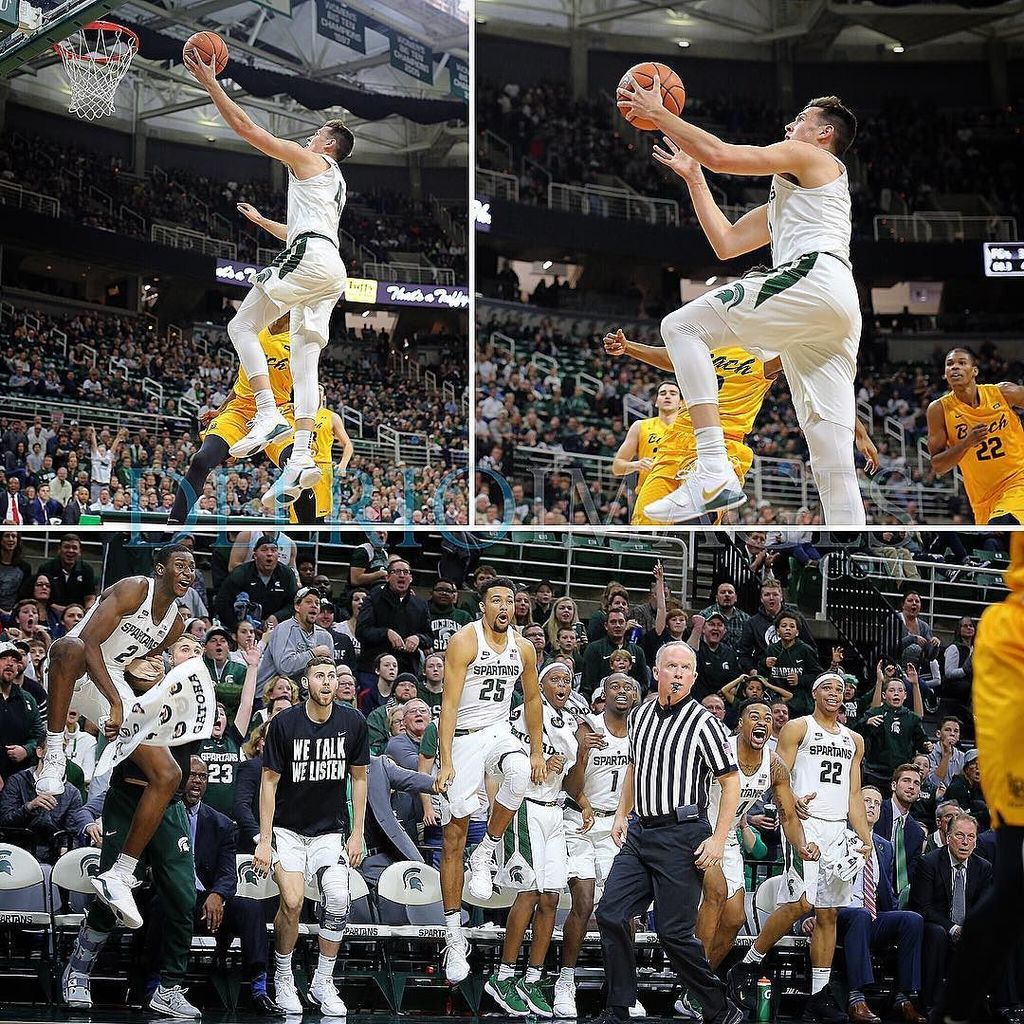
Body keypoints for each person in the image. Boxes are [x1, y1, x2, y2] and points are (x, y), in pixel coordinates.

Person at [614, 83, 863, 525]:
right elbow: (727, 244)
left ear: (824, 134)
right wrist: (694, 178)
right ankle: (855, 559)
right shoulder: (793, 200)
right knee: (832, 458)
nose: (791, 125)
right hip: (834, 307)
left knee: (681, 327)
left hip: (814, 278)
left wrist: (659, 113)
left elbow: (722, 154)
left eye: (801, 120)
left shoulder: (817, 158)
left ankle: (712, 467)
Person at [184, 51, 353, 510]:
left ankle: (263, 414)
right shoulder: (336, 183)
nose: (310, 136)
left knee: (241, 326)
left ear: (327, 145)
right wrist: (263, 222)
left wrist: (210, 83)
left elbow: (247, 129)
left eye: (317, 133)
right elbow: (306, 229)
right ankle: (301, 455)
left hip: (312, 258)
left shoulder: (310, 160)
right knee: (305, 360)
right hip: (331, 267)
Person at [37, 544, 196, 929]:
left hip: (112, 683)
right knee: (71, 645)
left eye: (193, 567)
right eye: (180, 564)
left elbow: (134, 663)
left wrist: (142, 685)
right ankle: (55, 751)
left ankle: (121, 872)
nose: (189, 571)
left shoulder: (175, 624)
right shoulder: (132, 589)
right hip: (72, 672)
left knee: (169, 775)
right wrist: (116, 702)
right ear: (160, 569)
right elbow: (90, 642)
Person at [61, 637, 211, 1019]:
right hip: (127, 800)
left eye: (196, 651)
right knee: (113, 893)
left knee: (182, 897)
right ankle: (79, 966)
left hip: (169, 806)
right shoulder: (123, 693)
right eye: (182, 649)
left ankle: (170, 988)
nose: (189, 656)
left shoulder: (191, 699)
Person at [593, 641, 740, 1024]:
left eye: (685, 668)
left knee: (674, 934)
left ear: (693, 677)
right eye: (671, 666)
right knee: (610, 913)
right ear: (656, 672)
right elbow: (633, 767)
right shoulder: (639, 716)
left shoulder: (705, 724)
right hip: (641, 831)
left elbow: (731, 782)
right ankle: (620, 1006)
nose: (677, 673)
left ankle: (719, 1008)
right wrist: (622, 814)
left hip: (682, 833)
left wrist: (719, 839)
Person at [726, 673, 873, 1024]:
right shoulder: (797, 728)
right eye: (828, 688)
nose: (835, 693)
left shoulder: (855, 739)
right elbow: (777, 774)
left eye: (840, 690)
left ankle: (818, 995)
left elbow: (854, 794)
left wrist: (865, 838)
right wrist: (790, 803)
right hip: (805, 826)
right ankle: (747, 964)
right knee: (801, 902)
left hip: (839, 830)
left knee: (829, 913)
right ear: (814, 692)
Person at [676, 696, 817, 1021]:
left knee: (735, 919)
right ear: (739, 724)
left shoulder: (774, 764)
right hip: (696, 831)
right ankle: (696, 985)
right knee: (716, 895)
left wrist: (802, 846)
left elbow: (788, 816)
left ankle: (693, 991)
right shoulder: (718, 750)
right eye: (754, 716)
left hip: (727, 841)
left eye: (768, 718)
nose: (762, 722)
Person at [435, 578, 547, 985]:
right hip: (463, 738)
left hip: (498, 731)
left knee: (518, 772)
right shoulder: (465, 641)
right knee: (453, 835)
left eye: (511, 601)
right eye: (496, 600)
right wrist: (445, 761)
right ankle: (453, 933)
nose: (505, 606)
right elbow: (447, 703)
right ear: (482, 606)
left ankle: (488, 852)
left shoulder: (524, 647)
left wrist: (536, 750)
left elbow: (532, 699)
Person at [253, 656, 368, 1016]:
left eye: (332, 676)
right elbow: (268, 783)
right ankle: (284, 978)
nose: (328, 682)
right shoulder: (284, 724)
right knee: (291, 902)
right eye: (319, 676)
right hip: (287, 831)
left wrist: (357, 833)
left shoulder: (353, 722)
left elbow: (360, 779)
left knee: (338, 899)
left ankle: (322, 981)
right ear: (306, 683)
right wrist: (265, 838)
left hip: (329, 833)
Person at [939, 533, 1024, 1024]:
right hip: (1016, 774)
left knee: (1012, 898)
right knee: (1012, 896)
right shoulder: (1005, 626)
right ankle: (955, 1010)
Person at [485, 662, 582, 1017]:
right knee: (528, 893)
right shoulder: (522, 714)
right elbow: (498, 758)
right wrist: (533, 760)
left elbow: (569, 772)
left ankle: (532, 977)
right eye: (554, 679)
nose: (562, 685)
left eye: (567, 680)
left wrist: (580, 800)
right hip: (525, 806)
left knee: (552, 897)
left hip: (555, 811)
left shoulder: (571, 720)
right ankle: (504, 975)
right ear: (539, 686)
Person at [145, 756, 276, 1013]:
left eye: (202, 776)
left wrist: (217, 894)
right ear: (180, 778)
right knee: (161, 905)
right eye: (192, 775)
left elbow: (228, 873)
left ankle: (259, 988)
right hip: (171, 895)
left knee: (251, 908)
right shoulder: (159, 813)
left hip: (206, 900)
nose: (197, 781)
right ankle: (154, 985)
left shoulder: (222, 824)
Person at [168, 314, 295, 524]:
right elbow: (241, 380)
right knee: (200, 460)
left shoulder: (300, 339)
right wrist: (220, 410)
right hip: (240, 409)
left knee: (294, 462)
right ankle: (173, 524)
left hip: (278, 409)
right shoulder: (252, 331)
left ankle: (305, 523)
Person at [831, 786, 928, 1024]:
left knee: (912, 919)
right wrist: (809, 917)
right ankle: (856, 998)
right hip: (838, 917)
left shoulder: (884, 847)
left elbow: (886, 892)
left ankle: (904, 997)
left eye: (877, 802)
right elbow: (818, 882)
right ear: (853, 804)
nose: (873, 806)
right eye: (866, 800)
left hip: (870, 917)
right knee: (860, 915)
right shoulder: (837, 837)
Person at [926, 347, 1024, 525]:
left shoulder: (1003, 393)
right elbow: (938, 466)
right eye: (950, 364)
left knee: (1005, 522)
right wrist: (966, 444)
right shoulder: (938, 410)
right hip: (982, 499)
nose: (955, 367)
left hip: (1018, 480)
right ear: (945, 373)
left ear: (974, 371)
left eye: (962, 363)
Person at [909, 812, 992, 1013]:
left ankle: (998, 1004)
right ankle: (931, 1003)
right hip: (937, 926)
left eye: (970, 837)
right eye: (959, 835)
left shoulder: (983, 867)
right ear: (947, 837)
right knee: (937, 934)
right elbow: (923, 907)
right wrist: (954, 929)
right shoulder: (929, 862)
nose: (965, 842)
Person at [195, 640, 258, 817]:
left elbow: (247, 704)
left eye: (221, 714)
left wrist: (252, 667)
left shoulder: (233, 738)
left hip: (230, 818)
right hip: (201, 814)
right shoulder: (197, 739)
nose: (218, 716)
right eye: (214, 713)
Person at [610, 380, 682, 515]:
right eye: (663, 393)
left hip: (680, 497)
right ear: (656, 401)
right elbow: (617, 467)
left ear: (681, 403)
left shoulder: (691, 429)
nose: (667, 396)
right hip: (648, 495)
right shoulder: (640, 426)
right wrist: (637, 465)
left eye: (673, 393)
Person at [354, 558, 432, 684]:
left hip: (407, 672)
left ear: (411, 578)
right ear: (387, 577)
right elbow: (361, 632)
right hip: (373, 670)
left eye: (406, 572)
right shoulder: (372, 599)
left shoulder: (420, 605)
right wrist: (386, 633)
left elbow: (429, 638)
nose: (402, 575)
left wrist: (418, 638)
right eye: (397, 572)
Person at [283, 385, 352, 524]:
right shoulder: (295, 413)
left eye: (319, 389)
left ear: (324, 397)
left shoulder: (331, 417)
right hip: (299, 468)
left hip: (321, 468)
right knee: (297, 518)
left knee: (318, 517)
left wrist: (343, 465)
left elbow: (348, 445)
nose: (315, 390)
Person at [875, 763, 926, 901]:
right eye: (906, 780)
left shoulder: (917, 833)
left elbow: (910, 873)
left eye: (916, 783)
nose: (911, 786)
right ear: (893, 785)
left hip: (896, 897)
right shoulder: (876, 812)